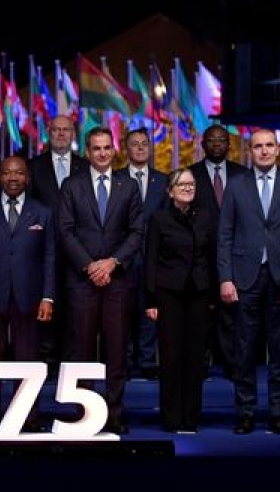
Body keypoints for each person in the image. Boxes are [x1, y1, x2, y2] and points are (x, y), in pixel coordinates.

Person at [217, 127, 280, 435]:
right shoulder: (236, 185)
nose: (265, 151)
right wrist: (225, 278)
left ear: (278, 149)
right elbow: (225, 234)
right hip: (244, 279)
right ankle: (245, 413)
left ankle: (279, 413)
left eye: (270, 145)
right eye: (258, 146)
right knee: (244, 351)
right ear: (249, 150)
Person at [58, 125, 143, 435]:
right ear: (87, 151)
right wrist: (90, 265)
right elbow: (65, 230)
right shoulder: (72, 185)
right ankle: (85, 413)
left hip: (117, 281)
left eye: (107, 147)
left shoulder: (128, 185)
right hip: (83, 282)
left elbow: (137, 231)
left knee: (117, 349)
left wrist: (112, 262)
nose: (103, 153)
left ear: (114, 149)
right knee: (81, 349)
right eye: (97, 148)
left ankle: (114, 413)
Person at [0, 155, 54, 432]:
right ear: (0, 177)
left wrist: (48, 297)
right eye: (7, 173)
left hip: (30, 298)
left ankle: (28, 417)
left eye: (18, 173)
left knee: (28, 360)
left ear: (27, 178)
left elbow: (50, 257)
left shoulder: (42, 213)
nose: (13, 178)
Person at [143, 168, 215, 433]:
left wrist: (213, 295)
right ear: (170, 191)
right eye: (181, 184)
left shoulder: (205, 217)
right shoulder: (159, 219)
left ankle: (191, 417)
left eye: (191, 184)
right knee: (171, 357)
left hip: (199, 293)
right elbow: (151, 259)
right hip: (168, 293)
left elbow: (212, 256)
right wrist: (150, 299)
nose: (187, 188)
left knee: (195, 358)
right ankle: (172, 417)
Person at [188, 123, 250, 379]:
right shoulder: (190, 175)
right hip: (200, 258)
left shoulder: (243, 175)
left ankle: (231, 364)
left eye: (221, 140)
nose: (216, 144)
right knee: (199, 314)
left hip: (236, 256)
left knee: (231, 315)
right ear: (203, 144)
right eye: (211, 140)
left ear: (229, 144)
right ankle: (199, 365)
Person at [27, 114, 87, 369]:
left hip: (79, 253)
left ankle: (69, 366)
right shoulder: (33, 167)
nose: (61, 134)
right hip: (42, 251)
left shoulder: (85, 167)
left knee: (75, 313)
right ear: (48, 133)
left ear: (73, 134)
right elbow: (28, 207)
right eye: (56, 130)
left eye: (66, 130)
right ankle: (47, 365)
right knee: (45, 310)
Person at [123, 127, 167, 380]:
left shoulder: (163, 181)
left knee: (150, 309)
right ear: (126, 149)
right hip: (122, 258)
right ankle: (126, 360)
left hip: (153, 257)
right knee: (123, 310)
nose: (140, 148)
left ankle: (147, 361)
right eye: (135, 144)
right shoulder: (116, 178)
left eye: (144, 144)